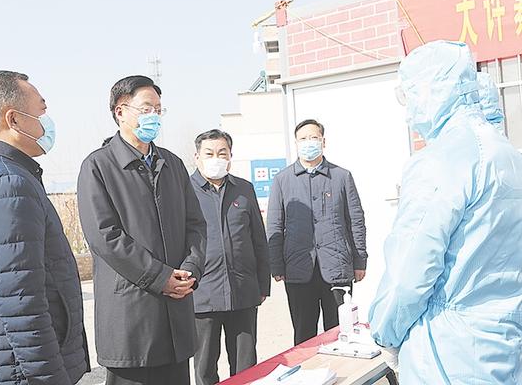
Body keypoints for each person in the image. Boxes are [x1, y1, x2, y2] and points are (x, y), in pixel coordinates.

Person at [369, 40, 522, 384]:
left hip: (449, 352)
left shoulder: (440, 162)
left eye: (411, 95)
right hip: (503, 345)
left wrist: (385, 334)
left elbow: (410, 273)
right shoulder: (507, 155)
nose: (409, 112)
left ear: (434, 91)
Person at [0, 70, 90, 384]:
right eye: (41, 111)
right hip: (18, 373)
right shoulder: (7, 183)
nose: (47, 122)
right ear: (13, 119)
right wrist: (51, 378)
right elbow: (23, 303)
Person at [77, 75, 206, 385]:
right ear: (120, 111)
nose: (154, 116)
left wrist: (190, 270)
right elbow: (105, 236)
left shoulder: (172, 164)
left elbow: (195, 225)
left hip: (176, 315)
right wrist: (160, 278)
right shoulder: (98, 167)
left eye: (159, 110)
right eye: (146, 108)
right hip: (131, 317)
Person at [267, 119, 367, 346]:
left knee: (340, 332)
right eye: (303, 139)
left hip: (337, 267)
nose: (308, 142)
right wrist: (276, 265)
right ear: (296, 143)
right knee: (304, 335)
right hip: (298, 269)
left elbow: (356, 220)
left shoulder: (342, 177)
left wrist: (360, 259)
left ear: (323, 141)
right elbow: (274, 225)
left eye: (313, 137)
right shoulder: (282, 180)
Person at [190, 129, 270, 385]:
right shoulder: (184, 192)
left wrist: (263, 285)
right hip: (202, 294)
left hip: (242, 291)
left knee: (245, 366)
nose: (216, 158)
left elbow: (259, 240)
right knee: (205, 367)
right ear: (197, 157)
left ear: (230, 157)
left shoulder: (244, 189)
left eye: (222, 153)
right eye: (209, 153)